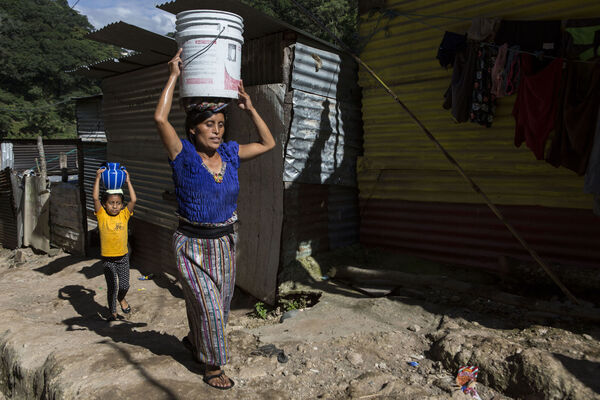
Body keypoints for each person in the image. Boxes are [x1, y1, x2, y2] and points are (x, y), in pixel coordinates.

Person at [154, 48, 275, 390]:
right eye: (210, 124)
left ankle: (195, 340)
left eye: (221, 125)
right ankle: (212, 365)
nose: (217, 130)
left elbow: (268, 143)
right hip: (190, 245)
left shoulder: (230, 154)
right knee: (208, 306)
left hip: (224, 243)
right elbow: (160, 120)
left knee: (217, 307)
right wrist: (174, 75)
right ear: (193, 130)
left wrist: (250, 109)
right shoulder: (183, 155)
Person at [93, 167, 137, 322]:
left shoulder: (124, 215)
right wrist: (98, 178)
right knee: (112, 287)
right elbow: (95, 198)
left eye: (118, 203)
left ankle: (122, 299)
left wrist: (128, 181)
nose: (115, 206)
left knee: (124, 286)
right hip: (107, 259)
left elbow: (133, 200)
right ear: (105, 204)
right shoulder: (102, 216)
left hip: (123, 257)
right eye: (111, 203)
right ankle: (112, 312)